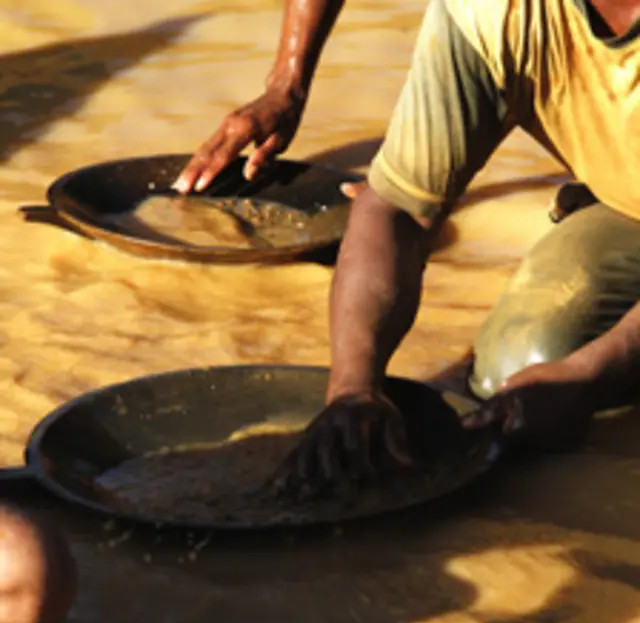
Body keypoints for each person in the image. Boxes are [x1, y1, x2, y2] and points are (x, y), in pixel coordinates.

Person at [175, 0, 640, 495]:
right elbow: (395, 207)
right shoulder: (488, 11)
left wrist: (591, 374)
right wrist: (353, 388)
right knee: (520, 368)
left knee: (575, 379)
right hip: (623, 200)